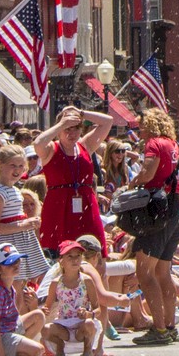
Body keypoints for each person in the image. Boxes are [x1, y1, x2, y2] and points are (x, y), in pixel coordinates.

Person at [127, 109, 179, 347]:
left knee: (145, 272)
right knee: (163, 272)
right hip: (175, 210)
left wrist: (133, 182)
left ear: (150, 126)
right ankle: (170, 326)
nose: (139, 131)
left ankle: (159, 328)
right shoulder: (174, 145)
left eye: (141, 126)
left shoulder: (153, 143)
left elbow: (148, 172)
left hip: (156, 213)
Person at [32, 108, 110, 256]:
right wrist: (62, 124)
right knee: (57, 253)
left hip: (86, 205)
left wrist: (81, 113)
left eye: (75, 128)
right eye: (67, 129)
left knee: (95, 252)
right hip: (58, 207)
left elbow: (107, 121)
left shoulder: (85, 145)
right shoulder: (51, 149)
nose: (71, 133)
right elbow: (38, 143)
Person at [36, 242, 109, 356]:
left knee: (90, 324)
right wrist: (43, 310)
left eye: (78, 256)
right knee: (46, 330)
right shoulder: (56, 283)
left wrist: (88, 314)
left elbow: (98, 310)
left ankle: (87, 349)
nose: (75, 260)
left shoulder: (86, 280)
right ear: (61, 260)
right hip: (63, 324)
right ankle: (60, 347)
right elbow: (47, 307)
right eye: (70, 256)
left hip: (82, 324)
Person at [0, 147, 50, 283]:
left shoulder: (15, 189)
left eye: (21, 166)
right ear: (0, 164)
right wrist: (23, 225)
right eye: (12, 165)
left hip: (23, 241)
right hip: (9, 244)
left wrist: (30, 221)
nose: (17, 170)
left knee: (33, 281)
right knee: (15, 285)